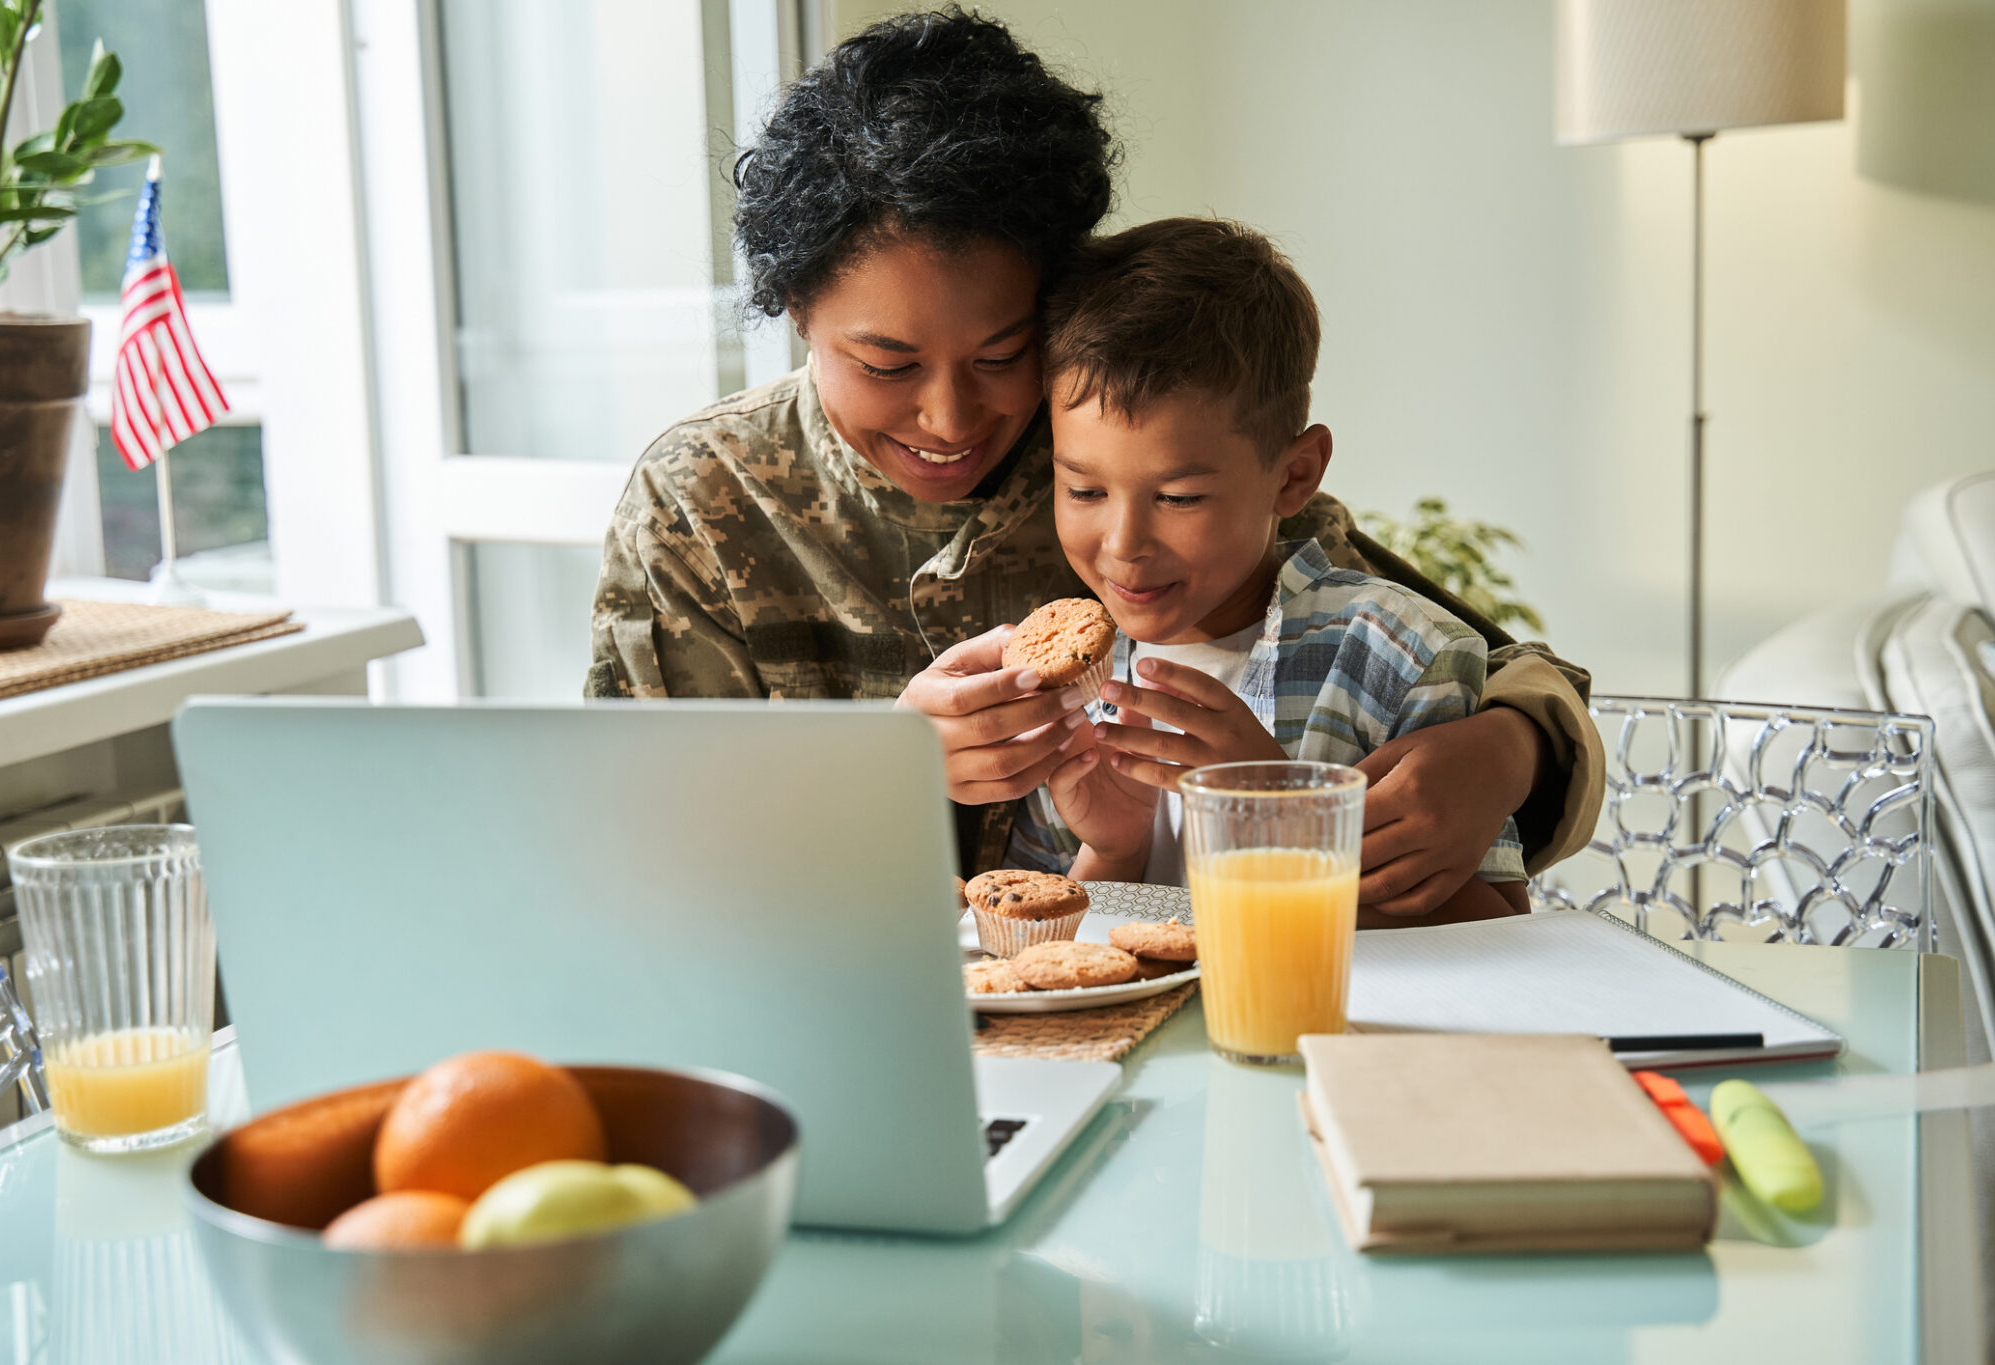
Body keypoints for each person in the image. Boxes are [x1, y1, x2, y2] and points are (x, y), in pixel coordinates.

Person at [586, 7, 1603, 909]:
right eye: (885, 361)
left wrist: (1506, 749)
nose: (948, 416)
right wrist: (878, 772)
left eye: (1000, 354)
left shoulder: (1111, 448)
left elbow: (1461, 654)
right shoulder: (700, 501)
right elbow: (633, 846)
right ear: (798, 310)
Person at [1030, 218, 1526, 922]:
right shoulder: (1073, 682)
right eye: (1084, 490)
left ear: (1294, 475)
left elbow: (1501, 930)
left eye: (1178, 497)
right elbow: (1038, 952)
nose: (1123, 542)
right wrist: (1113, 851)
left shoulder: (1398, 655)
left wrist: (1287, 811)